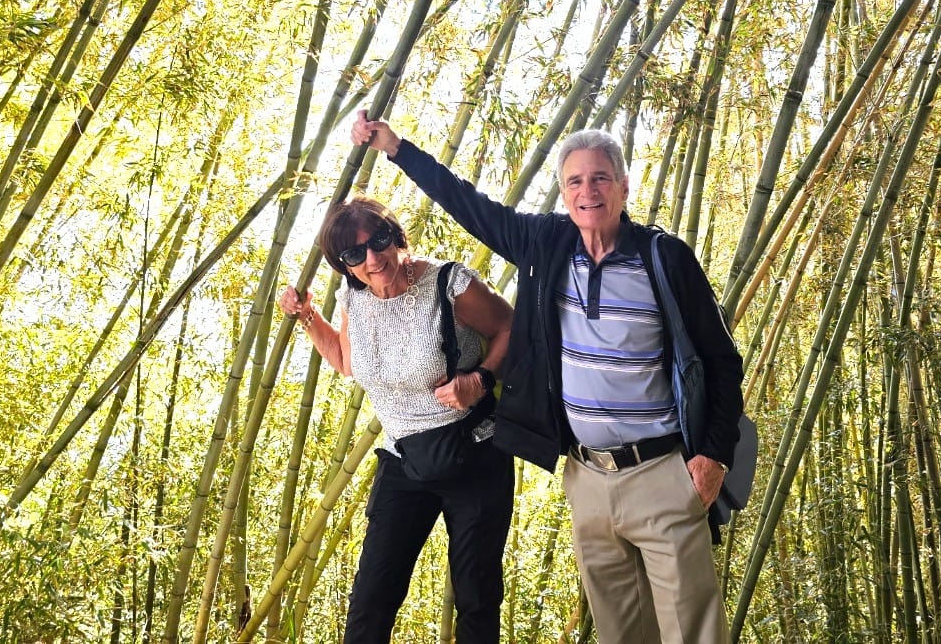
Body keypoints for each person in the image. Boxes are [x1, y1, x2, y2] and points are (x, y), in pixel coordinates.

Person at [351, 112, 744, 644]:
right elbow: (469, 205)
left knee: (693, 633)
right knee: (621, 632)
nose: (589, 191)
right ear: (562, 192)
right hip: (588, 477)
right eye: (575, 181)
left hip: (663, 472)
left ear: (624, 187)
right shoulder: (546, 244)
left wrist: (714, 455)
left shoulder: (663, 257)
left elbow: (721, 359)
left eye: (601, 178)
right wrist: (397, 148)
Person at [280, 196, 514, 644]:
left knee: (477, 598)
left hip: (474, 454)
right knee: (371, 599)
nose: (373, 259)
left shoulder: (448, 283)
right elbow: (349, 361)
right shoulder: (354, 296)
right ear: (344, 265)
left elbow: (512, 327)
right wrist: (308, 316)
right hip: (403, 459)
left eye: (379, 241)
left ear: (396, 236)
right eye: (355, 254)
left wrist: (481, 380)